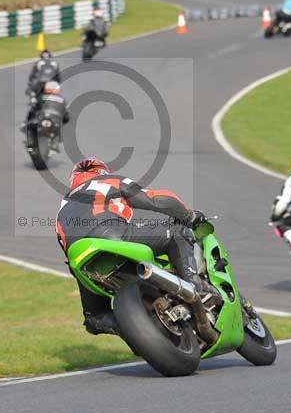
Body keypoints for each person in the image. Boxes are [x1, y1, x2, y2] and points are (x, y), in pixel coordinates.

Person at [56, 157, 214, 335]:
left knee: (94, 318)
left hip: (82, 260)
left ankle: (130, 331)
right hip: (113, 235)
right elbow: (154, 199)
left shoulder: (62, 208)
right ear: (101, 171)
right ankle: (194, 284)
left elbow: (65, 247)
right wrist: (187, 215)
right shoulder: (108, 181)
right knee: (177, 231)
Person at [24, 81, 69, 153]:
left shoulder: (41, 97)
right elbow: (66, 116)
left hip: (42, 118)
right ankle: (54, 144)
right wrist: (63, 120)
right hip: (55, 121)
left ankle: (30, 142)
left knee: (29, 125)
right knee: (58, 128)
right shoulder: (63, 100)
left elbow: (34, 109)